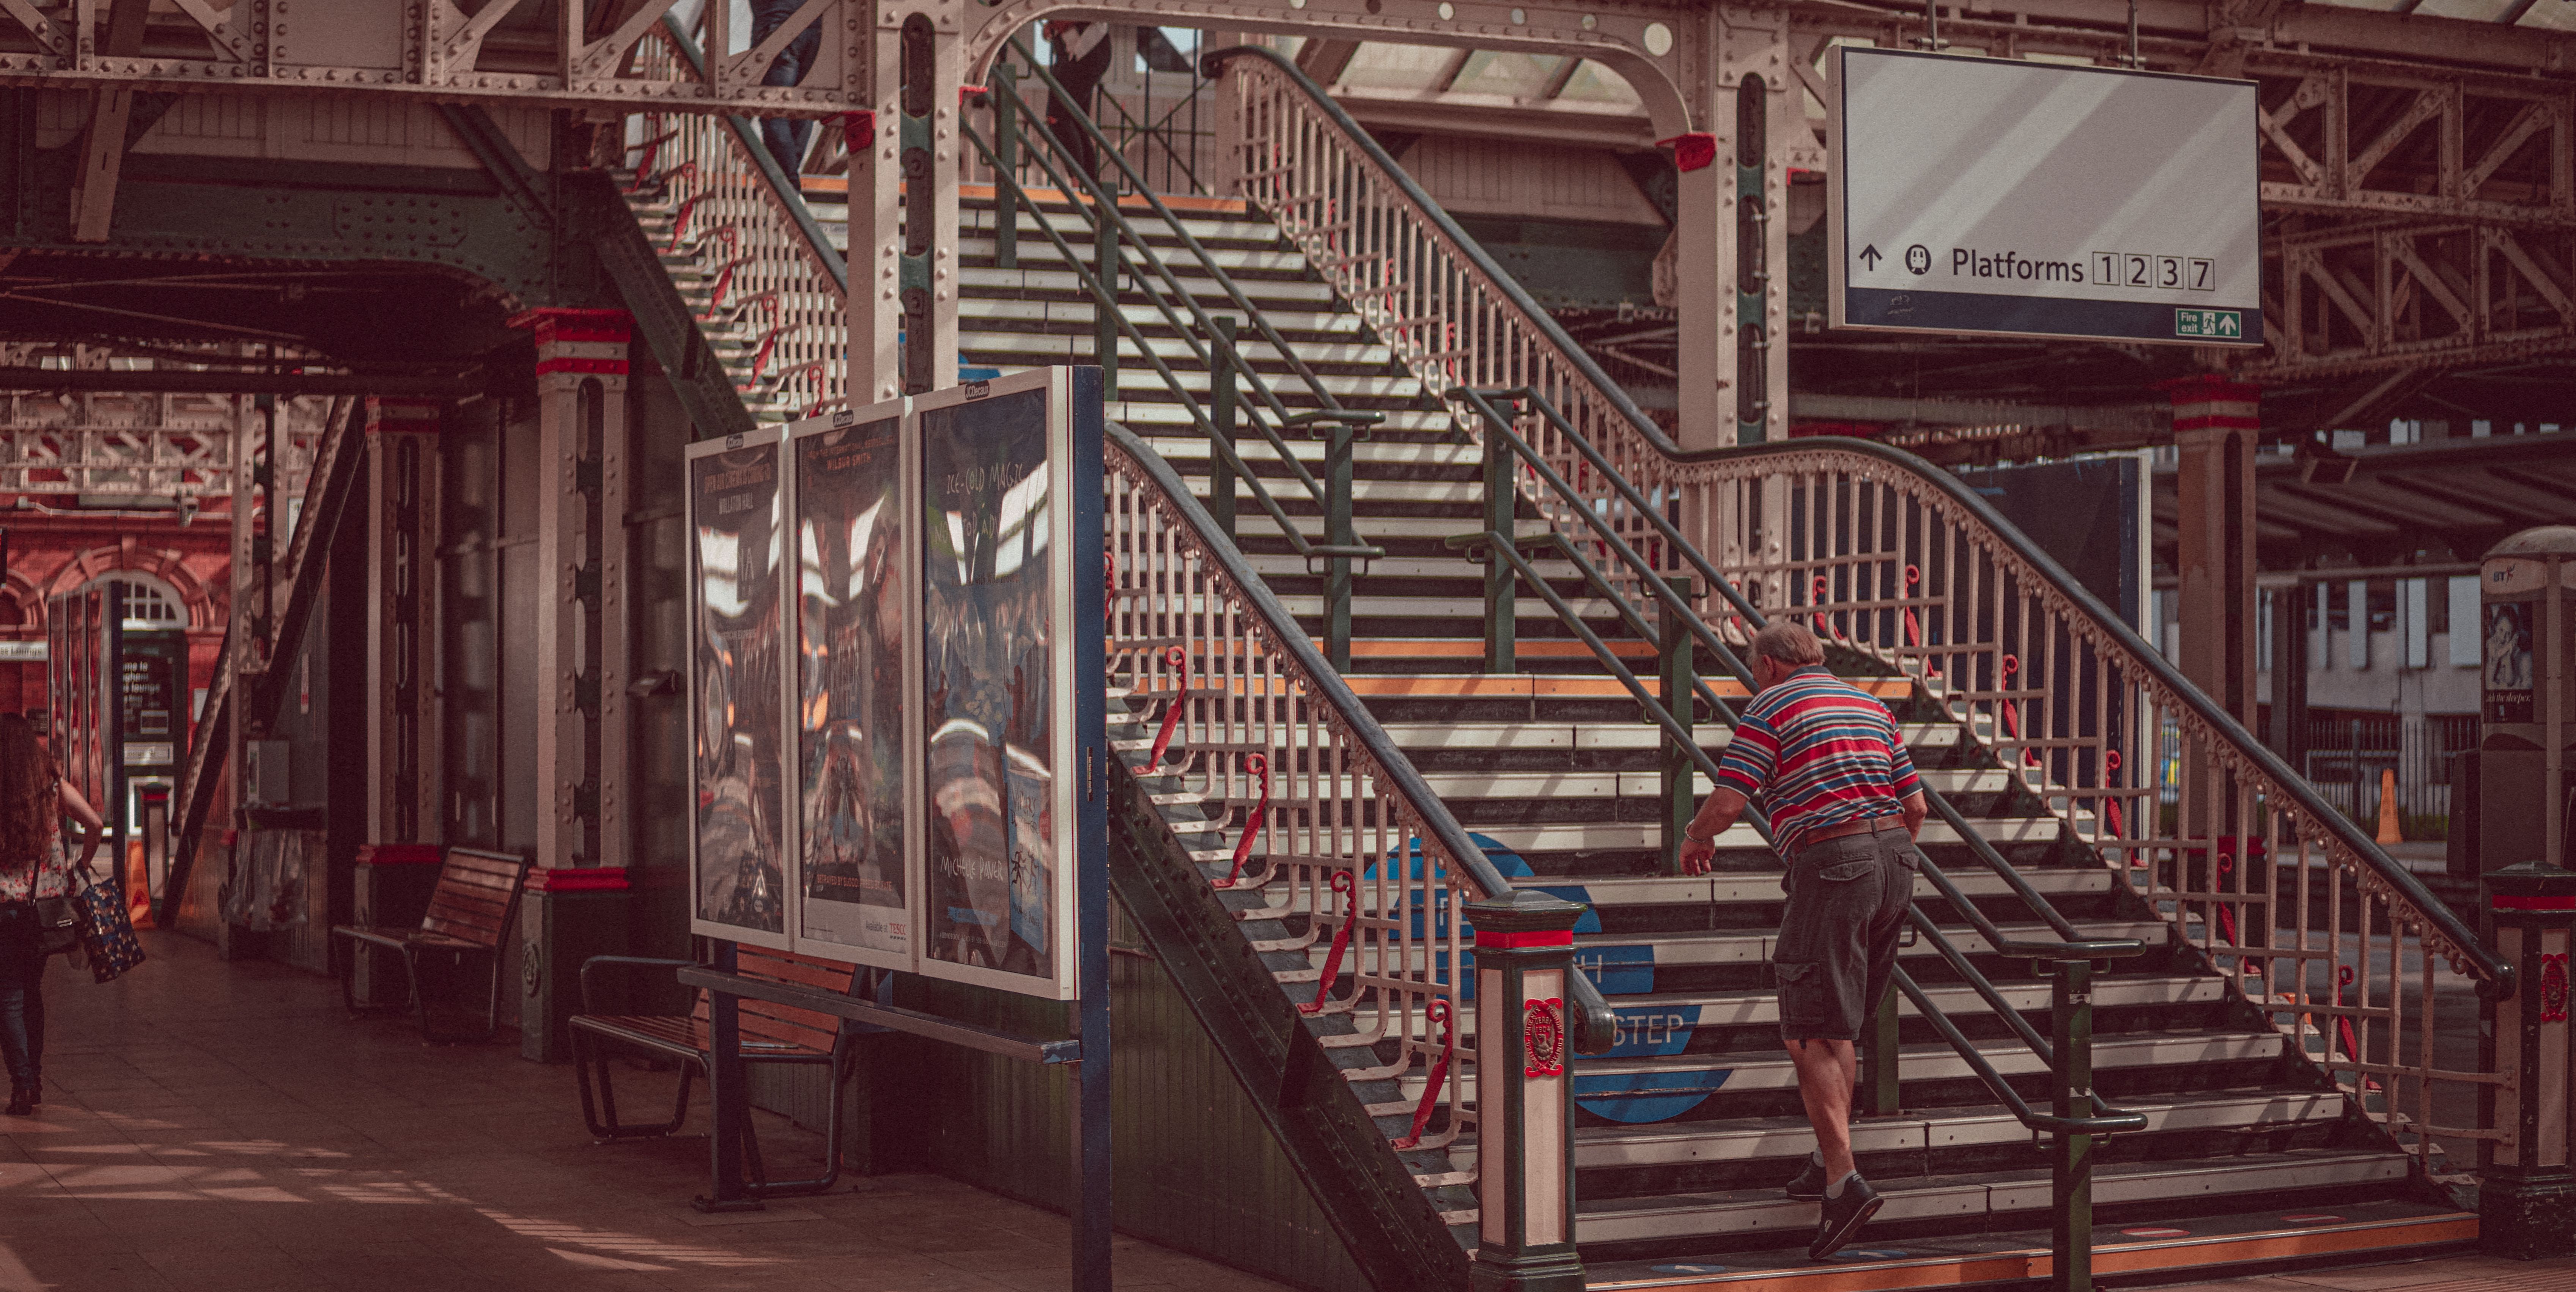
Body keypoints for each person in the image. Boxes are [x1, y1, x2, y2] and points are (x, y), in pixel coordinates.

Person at [1675, 623, 1925, 1260]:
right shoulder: (1868, 703)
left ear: (1765, 665)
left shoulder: (1772, 705)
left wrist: (1696, 835)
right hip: (1896, 859)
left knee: (1806, 1029)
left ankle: (1842, 1181)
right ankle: (1823, 1156)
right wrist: (1879, 858)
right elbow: (1916, 805)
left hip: (1832, 860)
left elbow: (1731, 800)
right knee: (1837, 1025)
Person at [0, 713, 103, 1117]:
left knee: (7, 994)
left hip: (3, 910)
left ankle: (22, 1083)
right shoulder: (51, 786)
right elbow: (95, 823)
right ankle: (34, 1079)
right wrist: (81, 865)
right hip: (43, 911)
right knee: (30, 993)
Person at [750, 0, 826, 178]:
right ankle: (789, 182)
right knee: (804, 107)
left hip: (778, 29)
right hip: (817, 31)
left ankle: (788, 183)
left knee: (773, 111)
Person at [1042, 20, 1112, 180]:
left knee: (1060, 117)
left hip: (1084, 52)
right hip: (1077, 54)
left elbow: (1094, 12)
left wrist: (1065, 21)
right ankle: (1086, 179)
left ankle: (1079, 178)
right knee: (1072, 119)